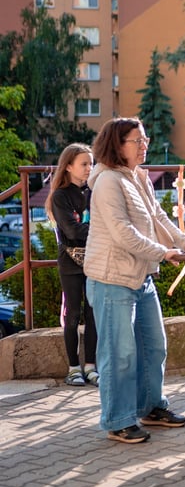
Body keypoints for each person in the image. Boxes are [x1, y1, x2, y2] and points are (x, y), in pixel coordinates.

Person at [85, 117, 185, 444]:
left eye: (145, 140)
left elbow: (157, 217)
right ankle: (118, 420)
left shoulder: (138, 177)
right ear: (117, 145)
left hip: (141, 277)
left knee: (154, 346)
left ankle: (150, 406)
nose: (144, 145)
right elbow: (123, 232)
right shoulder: (107, 181)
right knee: (120, 355)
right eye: (137, 141)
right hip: (112, 279)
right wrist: (163, 252)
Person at [46, 143, 98, 387]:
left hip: (95, 259)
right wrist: (100, 230)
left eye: (91, 164)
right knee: (73, 314)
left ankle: (91, 367)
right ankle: (74, 367)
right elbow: (72, 230)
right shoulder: (60, 196)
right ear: (68, 167)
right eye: (84, 164)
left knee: (93, 313)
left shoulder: (94, 191)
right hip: (70, 262)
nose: (89, 168)